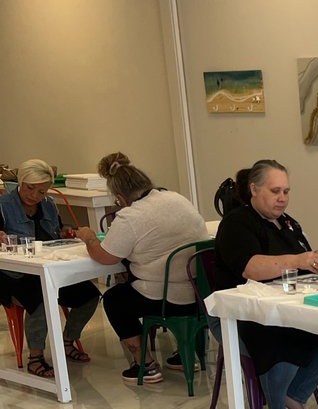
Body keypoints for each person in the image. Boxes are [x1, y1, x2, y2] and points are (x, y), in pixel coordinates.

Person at [213, 159, 318, 409]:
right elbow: (251, 267)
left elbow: (302, 258)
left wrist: (314, 259)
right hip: (242, 312)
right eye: (275, 191)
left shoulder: (287, 223)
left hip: (286, 305)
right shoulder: (238, 223)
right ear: (254, 189)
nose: (282, 198)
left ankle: (295, 397)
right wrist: (298, 260)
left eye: (286, 191)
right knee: (284, 339)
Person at [77, 153, 206, 385]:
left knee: (114, 299)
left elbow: (106, 257)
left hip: (165, 297)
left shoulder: (131, 216)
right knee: (134, 286)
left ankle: (144, 364)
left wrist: (89, 239)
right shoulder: (176, 198)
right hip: (198, 292)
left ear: (119, 198)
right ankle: (183, 355)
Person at [0, 159, 100, 378]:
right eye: (30, 188)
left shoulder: (49, 204)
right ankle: (35, 356)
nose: (35, 195)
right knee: (42, 296)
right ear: (21, 181)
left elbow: (56, 229)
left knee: (90, 296)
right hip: (15, 276)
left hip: (50, 268)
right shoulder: (3, 205)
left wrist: (65, 233)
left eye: (41, 191)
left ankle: (66, 340)